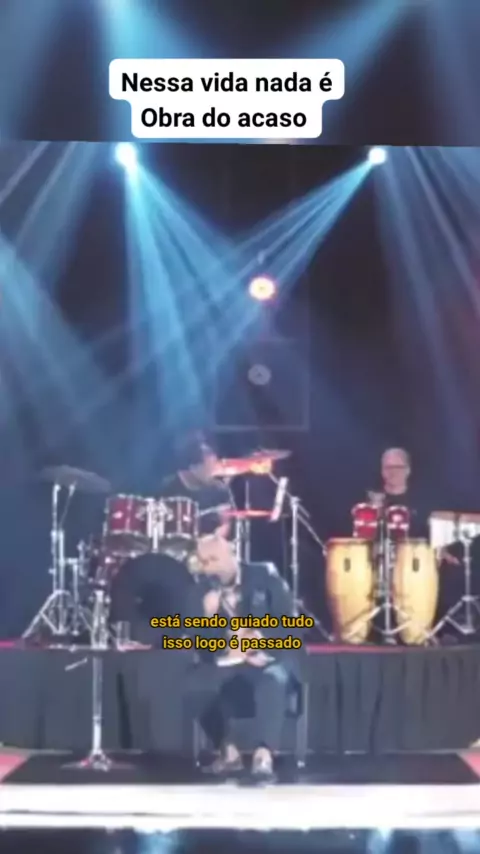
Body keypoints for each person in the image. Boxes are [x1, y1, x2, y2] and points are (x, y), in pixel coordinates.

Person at [184, 534, 303, 781]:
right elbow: (197, 642)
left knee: (272, 680)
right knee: (193, 683)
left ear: (232, 554)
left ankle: (263, 755)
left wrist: (256, 639)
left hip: (268, 657)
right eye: (204, 562)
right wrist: (206, 618)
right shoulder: (201, 590)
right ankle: (229, 753)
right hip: (228, 661)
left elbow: (290, 624)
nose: (210, 567)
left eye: (214, 559)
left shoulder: (265, 576)